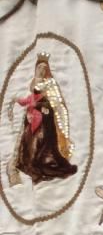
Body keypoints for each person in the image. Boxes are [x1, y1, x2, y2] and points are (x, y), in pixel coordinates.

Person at [13, 53, 78, 184]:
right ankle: (28, 161)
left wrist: (42, 107)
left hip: (46, 121)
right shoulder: (34, 82)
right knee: (28, 140)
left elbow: (54, 103)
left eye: (44, 69)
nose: (42, 71)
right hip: (33, 119)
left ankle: (40, 162)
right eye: (39, 68)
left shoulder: (50, 83)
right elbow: (29, 100)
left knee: (41, 140)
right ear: (36, 69)